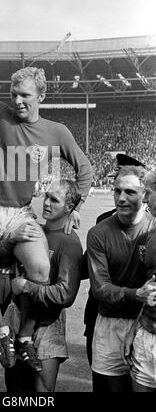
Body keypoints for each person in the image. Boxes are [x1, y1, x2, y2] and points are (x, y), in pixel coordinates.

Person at [0, 23, 93, 370]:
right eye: (14, 94)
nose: (18, 101)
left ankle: (25, 336)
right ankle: (1, 331)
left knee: (41, 268)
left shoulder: (56, 131)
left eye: (25, 95)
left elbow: (84, 167)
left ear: (41, 96)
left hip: (19, 214)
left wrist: (76, 204)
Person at [0, 179, 83, 392]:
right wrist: (10, 239)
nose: (46, 203)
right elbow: (1, 261)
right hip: (17, 317)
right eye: (46, 196)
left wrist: (26, 286)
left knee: (41, 391)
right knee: (15, 387)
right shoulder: (32, 231)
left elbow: (66, 294)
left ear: (69, 208)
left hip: (47, 323)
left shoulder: (69, 242)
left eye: (55, 200)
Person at [87, 165, 156, 392]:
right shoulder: (99, 233)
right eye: (117, 191)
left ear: (144, 195)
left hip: (146, 324)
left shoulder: (153, 228)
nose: (121, 198)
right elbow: (99, 288)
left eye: (130, 192)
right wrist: (135, 294)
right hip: (111, 323)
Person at [122, 170, 156, 392]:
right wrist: (135, 328)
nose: (144, 199)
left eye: (149, 193)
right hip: (146, 334)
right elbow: (149, 287)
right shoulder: (151, 234)